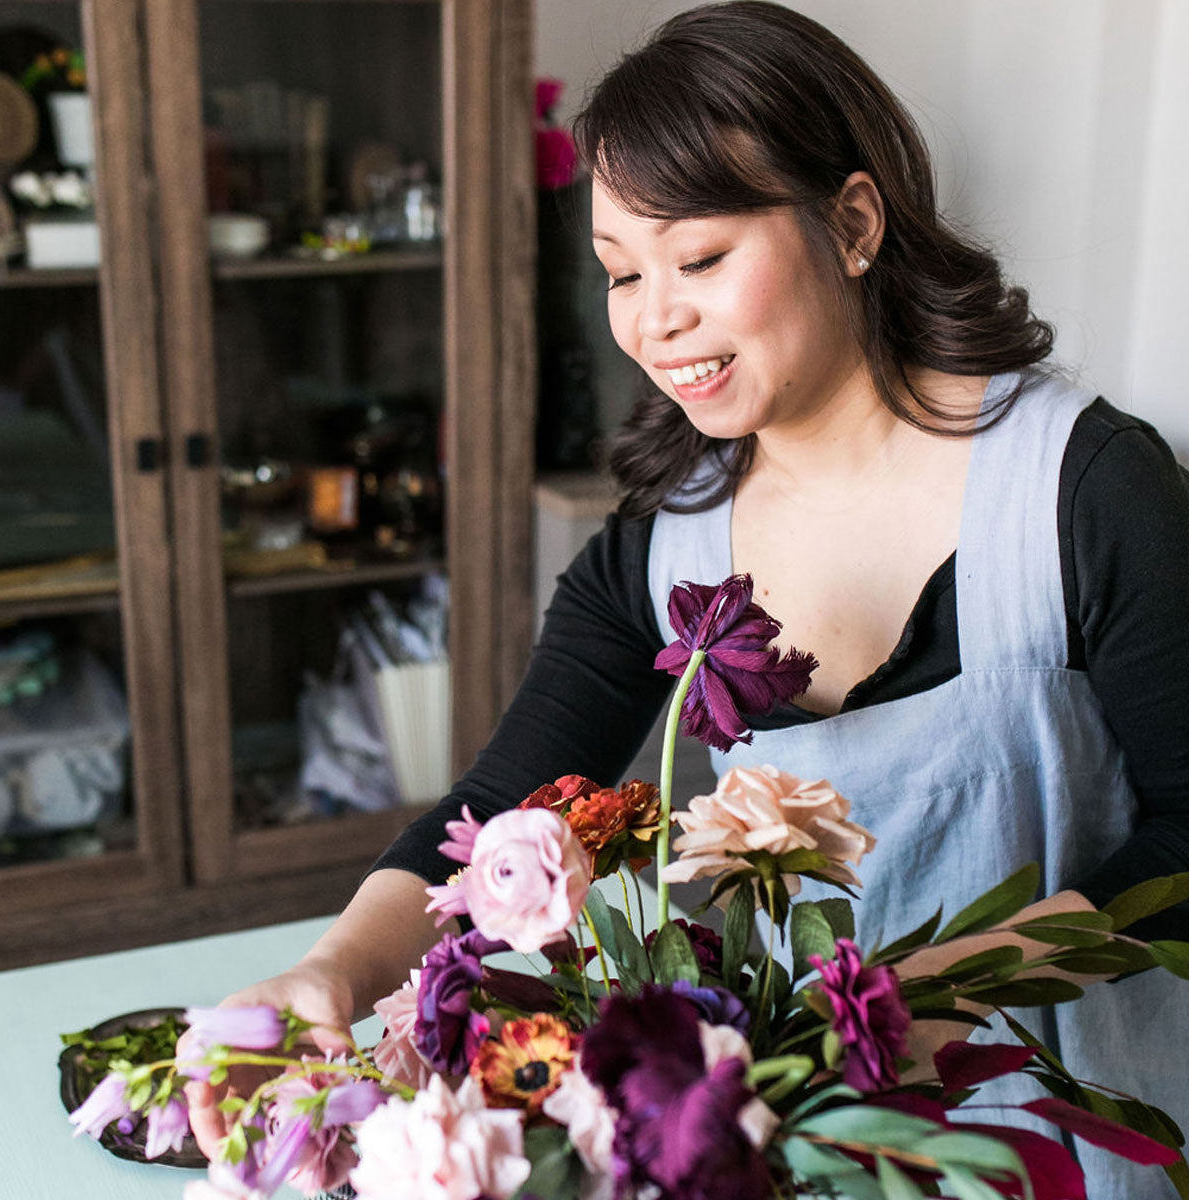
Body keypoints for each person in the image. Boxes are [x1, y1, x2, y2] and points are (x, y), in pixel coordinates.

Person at [189, 4, 1189, 1193]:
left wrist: (937, 994)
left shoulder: (1081, 489)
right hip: (793, 1145)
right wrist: (335, 972)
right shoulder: (669, 546)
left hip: (1076, 1144)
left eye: (701, 259)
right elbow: (500, 808)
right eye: (622, 273)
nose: (655, 319)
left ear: (854, 223)